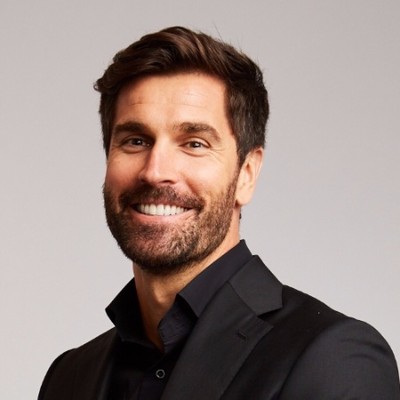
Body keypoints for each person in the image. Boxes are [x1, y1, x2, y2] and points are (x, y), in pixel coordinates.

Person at [38, 26, 400, 400]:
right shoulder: (69, 377)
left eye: (194, 143)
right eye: (135, 141)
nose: (155, 171)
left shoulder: (333, 358)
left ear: (247, 174)